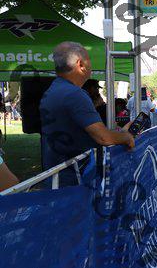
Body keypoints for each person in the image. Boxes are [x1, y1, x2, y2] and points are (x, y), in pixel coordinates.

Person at [40, 42, 134, 187]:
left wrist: (119, 133)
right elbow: (103, 137)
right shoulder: (75, 94)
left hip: (57, 175)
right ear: (81, 64)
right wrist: (126, 137)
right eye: (89, 59)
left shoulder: (54, 89)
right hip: (72, 181)